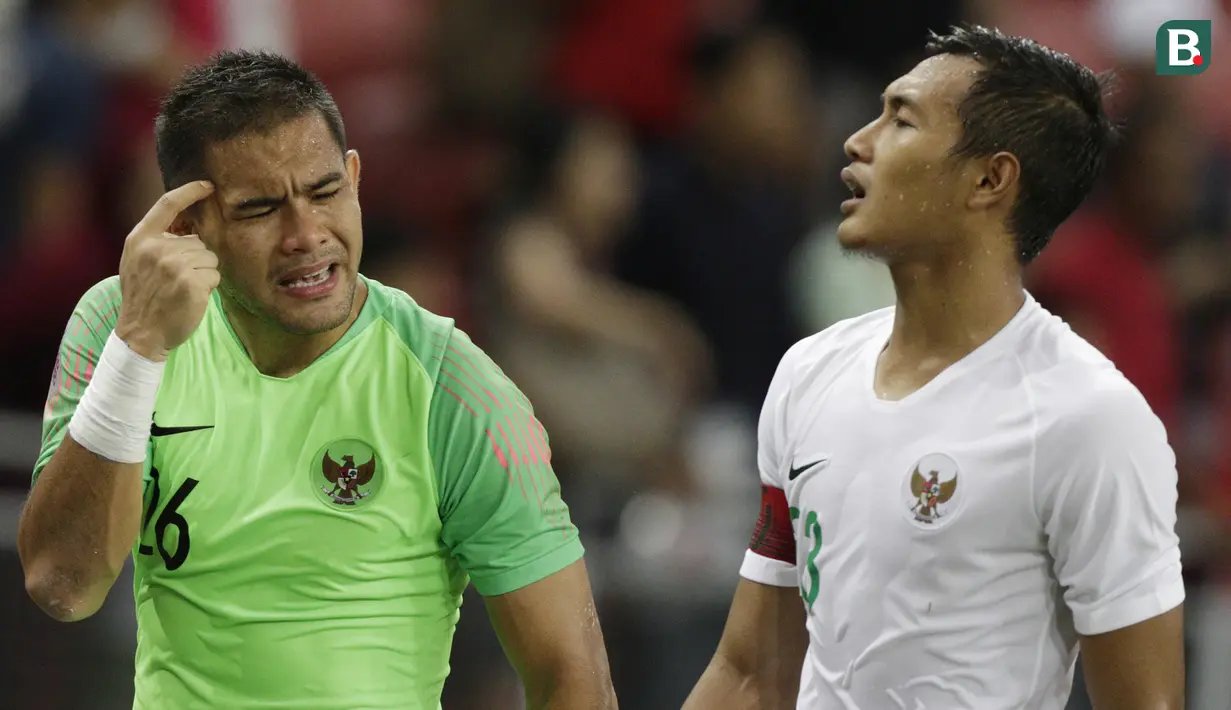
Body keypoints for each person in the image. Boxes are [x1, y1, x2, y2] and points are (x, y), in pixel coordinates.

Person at [17, 50, 617, 710]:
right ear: (189, 224)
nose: (307, 235)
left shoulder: (451, 385)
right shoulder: (123, 324)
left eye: (325, 192)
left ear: (354, 179)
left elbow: (571, 672)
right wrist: (139, 350)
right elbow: (63, 585)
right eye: (261, 209)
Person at [684, 25, 1185, 710]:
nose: (857, 141)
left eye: (900, 119)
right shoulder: (808, 373)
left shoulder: (1089, 418)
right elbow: (748, 674)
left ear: (989, 178)